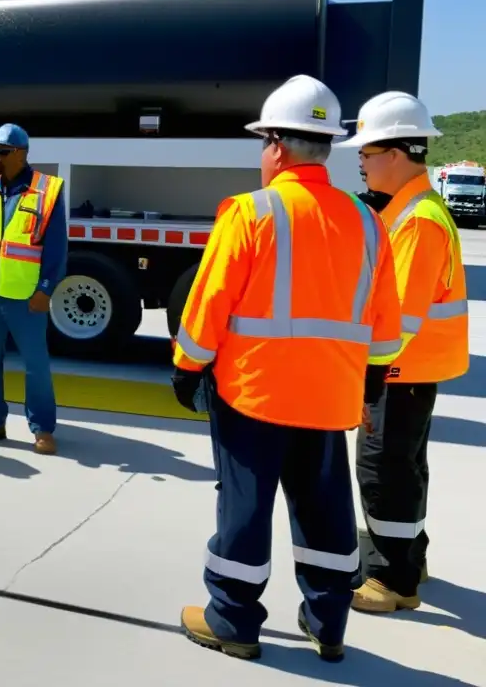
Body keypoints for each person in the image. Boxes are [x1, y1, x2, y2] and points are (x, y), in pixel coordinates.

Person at [171, 75, 403, 662]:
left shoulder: (252, 213)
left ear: (276, 144)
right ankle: (328, 622)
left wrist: (187, 366)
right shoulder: (369, 222)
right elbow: (385, 321)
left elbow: (208, 306)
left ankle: (232, 619)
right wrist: (371, 377)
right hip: (331, 399)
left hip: (255, 395)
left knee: (245, 510)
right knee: (325, 510)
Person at [336, 91, 469, 614]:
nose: (362, 163)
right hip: (414, 372)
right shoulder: (416, 209)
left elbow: (400, 320)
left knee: (383, 471)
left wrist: (362, 373)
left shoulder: (417, 221)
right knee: (406, 468)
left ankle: (393, 581)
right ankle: (410, 556)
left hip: (397, 370)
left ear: (394, 154)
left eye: (366, 154)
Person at [0, 123, 67, 455]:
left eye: (2, 152)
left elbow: (56, 247)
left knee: (36, 365)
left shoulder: (47, 191)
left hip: (25, 298)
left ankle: (42, 429)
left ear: (20, 154)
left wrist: (45, 289)